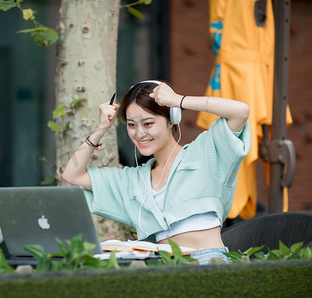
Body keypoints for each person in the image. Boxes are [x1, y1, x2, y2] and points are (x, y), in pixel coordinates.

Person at [62, 80, 250, 264]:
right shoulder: (132, 180)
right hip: (163, 270)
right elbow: (72, 175)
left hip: (208, 262)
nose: (139, 133)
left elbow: (240, 112)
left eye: (148, 123)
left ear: (171, 120)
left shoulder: (204, 153)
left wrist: (178, 101)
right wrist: (100, 129)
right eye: (131, 125)